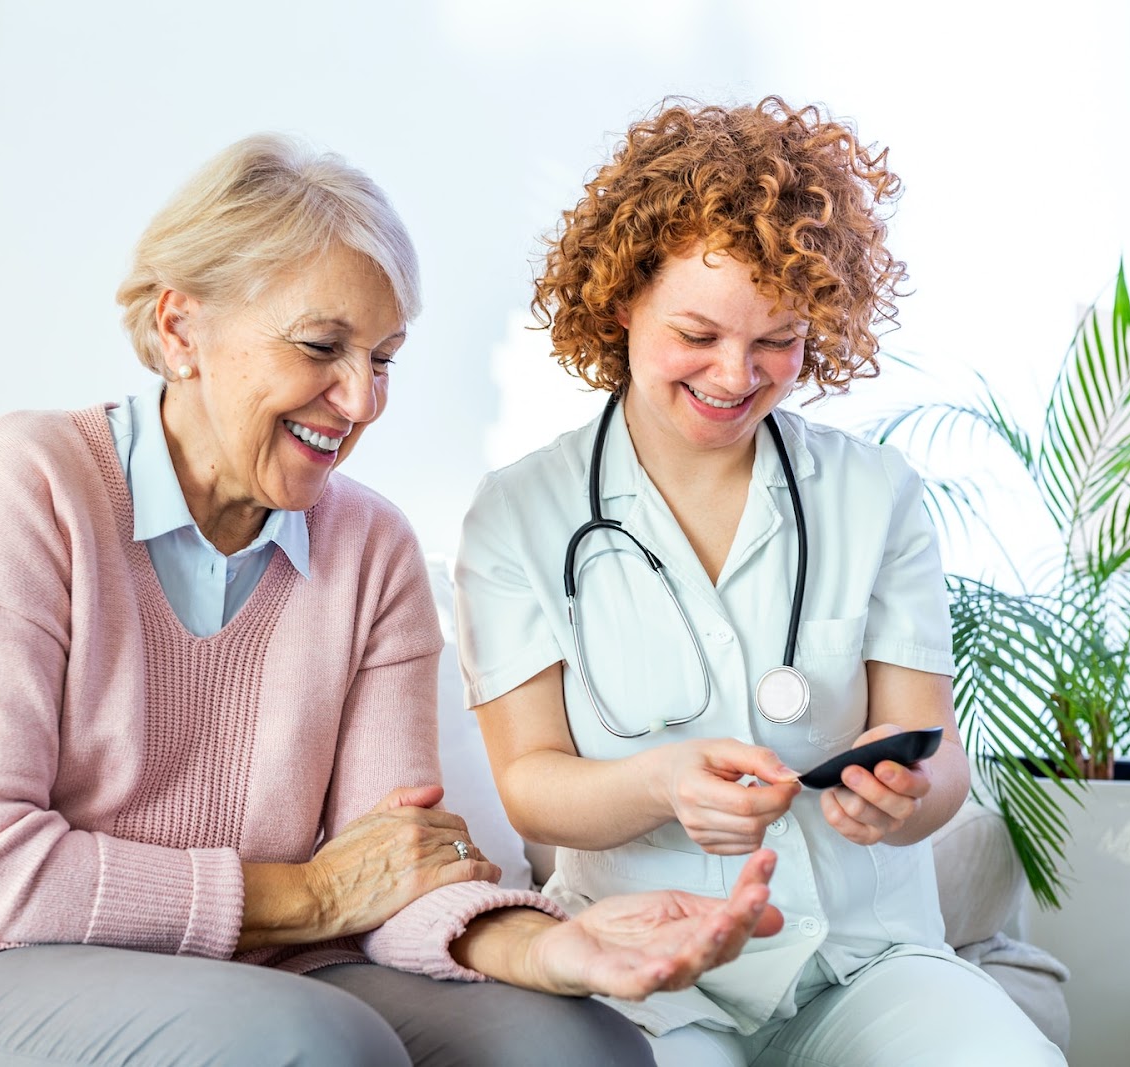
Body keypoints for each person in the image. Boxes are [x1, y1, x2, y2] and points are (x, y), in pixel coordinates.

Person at [0, 133, 785, 1067]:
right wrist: (305, 893)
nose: (360, 400)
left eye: (384, 357)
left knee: (575, 1044)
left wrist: (548, 947)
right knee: (314, 1044)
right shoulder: (36, 478)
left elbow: (386, 869)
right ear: (181, 325)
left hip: (255, 981)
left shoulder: (372, 548)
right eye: (322, 345)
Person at [452, 97, 1067, 1066]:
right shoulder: (518, 513)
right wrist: (659, 780)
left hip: (864, 963)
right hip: (651, 971)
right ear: (620, 300)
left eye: (777, 337)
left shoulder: (875, 493)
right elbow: (528, 782)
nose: (736, 374)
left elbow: (938, 753)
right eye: (696, 332)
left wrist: (908, 790)